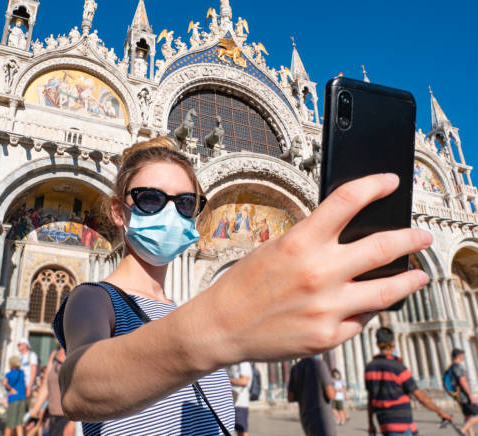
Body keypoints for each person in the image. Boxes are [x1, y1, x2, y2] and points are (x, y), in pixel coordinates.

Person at [55, 136, 434, 435]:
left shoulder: (178, 310)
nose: (170, 212)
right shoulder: (94, 299)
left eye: (186, 203)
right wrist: (221, 322)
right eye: (151, 199)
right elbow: (77, 386)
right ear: (120, 212)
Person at [365, 327, 452, 436]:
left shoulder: (369, 368)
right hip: (402, 425)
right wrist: (440, 412)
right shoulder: (398, 367)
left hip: (384, 424)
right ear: (393, 344)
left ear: (377, 344)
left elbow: (370, 399)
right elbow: (420, 397)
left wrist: (371, 424)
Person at [30, 345, 76, 436]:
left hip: (68, 418)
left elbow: (79, 388)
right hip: (52, 417)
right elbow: (46, 385)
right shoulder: (54, 354)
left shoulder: (75, 351)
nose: (54, 332)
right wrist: (33, 413)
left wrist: (73, 424)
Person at [288, 356, 337, 436]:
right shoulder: (319, 364)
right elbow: (331, 394)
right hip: (323, 419)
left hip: (306, 418)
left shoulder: (295, 369)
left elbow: (291, 397)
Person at [447, 348, 478, 435]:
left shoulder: (451, 367)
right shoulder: (457, 366)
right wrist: (470, 395)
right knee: (476, 415)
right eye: (462, 355)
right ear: (459, 356)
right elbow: (462, 381)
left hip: (458, 396)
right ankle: (462, 430)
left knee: (468, 417)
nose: (463, 356)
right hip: (464, 396)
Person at [3, 356, 27, 436]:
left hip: (14, 399)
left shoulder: (9, 374)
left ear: (11, 364)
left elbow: (4, 383)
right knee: (19, 423)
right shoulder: (22, 373)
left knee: (10, 424)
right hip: (22, 398)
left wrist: (10, 389)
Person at [229, 362, 252, 436]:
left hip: (240, 402)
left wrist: (227, 380)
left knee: (242, 430)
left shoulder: (243, 363)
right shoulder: (234, 363)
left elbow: (244, 381)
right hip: (235, 401)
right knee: (238, 430)